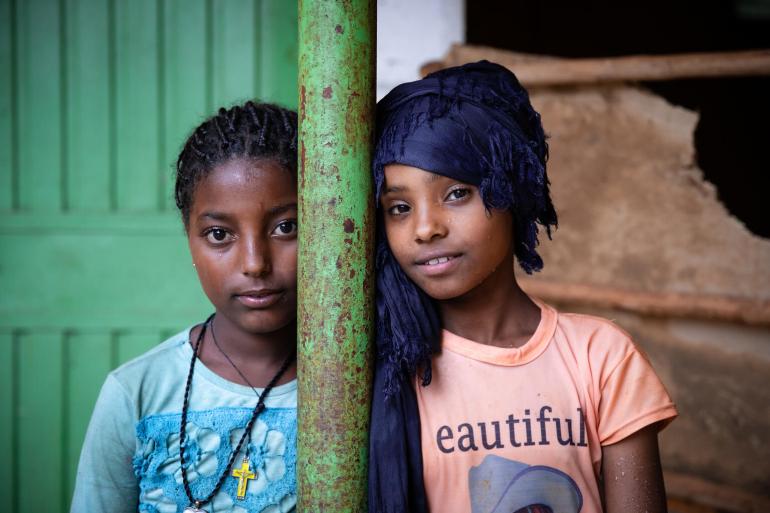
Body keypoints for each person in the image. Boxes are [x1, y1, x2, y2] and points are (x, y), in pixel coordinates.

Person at [368, 61, 678, 513]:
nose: (425, 228)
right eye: (398, 207)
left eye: (456, 193)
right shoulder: (383, 367)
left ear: (511, 190)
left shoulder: (600, 357)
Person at [71, 101, 299, 513]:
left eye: (287, 227)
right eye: (218, 234)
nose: (254, 263)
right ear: (189, 237)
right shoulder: (137, 393)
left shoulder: (374, 382)